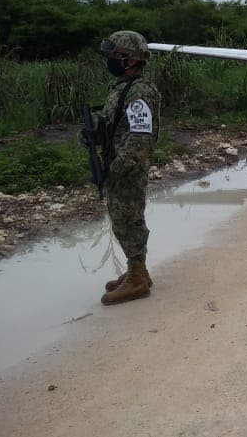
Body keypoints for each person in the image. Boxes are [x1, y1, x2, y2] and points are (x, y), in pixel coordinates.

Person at [90, 31, 161, 304]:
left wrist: (118, 168)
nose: (109, 59)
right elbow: (117, 124)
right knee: (122, 219)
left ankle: (137, 278)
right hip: (119, 164)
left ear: (129, 59)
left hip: (127, 168)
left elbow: (140, 137)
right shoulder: (124, 88)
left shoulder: (139, 92)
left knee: (129, 220)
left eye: (114, 55)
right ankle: (137, 270)